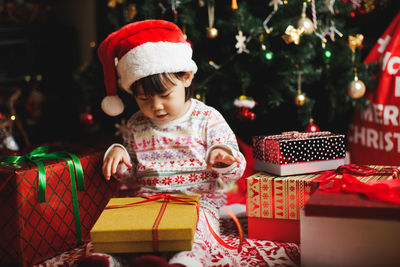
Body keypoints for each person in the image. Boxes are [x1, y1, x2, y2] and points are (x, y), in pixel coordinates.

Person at [98, 20, 246, 267]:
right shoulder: (137, 124)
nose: (156, 106)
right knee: (123, 232)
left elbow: (236, 169)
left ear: (186, 77)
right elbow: (129, 175)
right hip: (148, 202)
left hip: (197, 203)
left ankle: (184, 262)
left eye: (165, 95)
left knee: (197, 233)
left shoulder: (208, 118)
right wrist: (118, 156)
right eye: (144, 99)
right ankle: (106, 259)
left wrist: (224, 158)